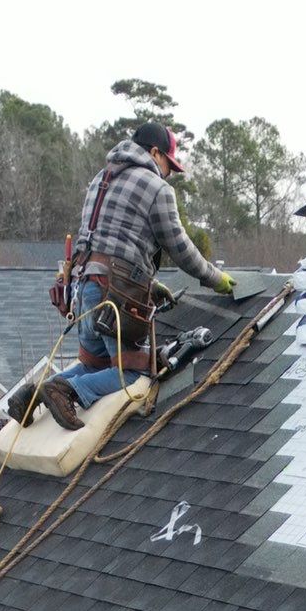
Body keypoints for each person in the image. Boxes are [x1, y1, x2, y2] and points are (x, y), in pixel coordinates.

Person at [35, 120, 235, 429]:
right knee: (134, 371)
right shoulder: (157, 188)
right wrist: (213, 277)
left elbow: (111, 243)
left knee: (95, 363)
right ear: (155, 152)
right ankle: (66, 390)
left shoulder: (100, 179)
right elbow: (179, 247)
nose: (169, 173)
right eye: (168, 164)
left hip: (83, 289)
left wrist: (150, 283)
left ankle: (32, 394)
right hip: (113, 295)